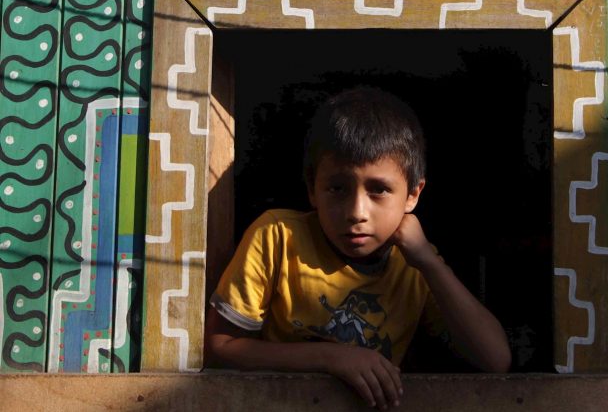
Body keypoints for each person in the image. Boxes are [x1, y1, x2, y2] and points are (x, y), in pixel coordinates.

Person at [206, 86, 511, 409]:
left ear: (413, 195)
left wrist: (429, 262)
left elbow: (495, 360)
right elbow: (220, 347)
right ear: (312, 188)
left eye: (379, 190)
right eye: (337, 188)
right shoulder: (278, 237)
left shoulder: (414, 263)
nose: (356, 212)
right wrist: (331, 358)